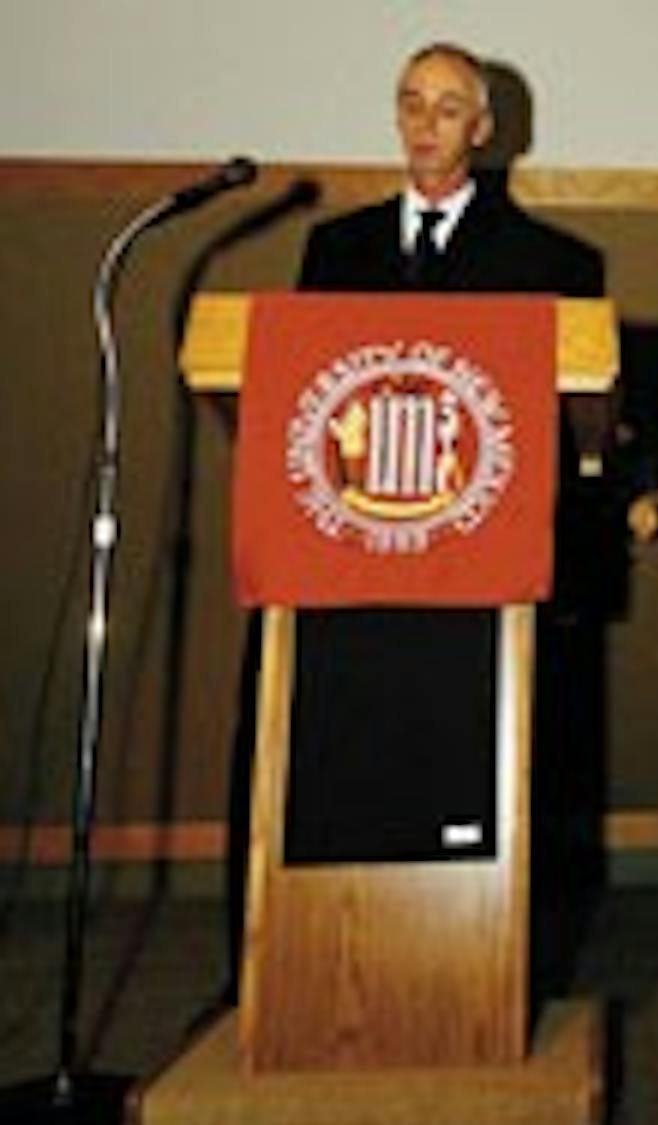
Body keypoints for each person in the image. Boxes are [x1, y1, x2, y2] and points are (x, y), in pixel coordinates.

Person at [222, 41, 606, 1004]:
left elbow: (571, 421)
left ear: (484, 130)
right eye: (410, 104)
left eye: (447, 108)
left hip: (480, 572)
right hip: (346, 558)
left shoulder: (554, 262)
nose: (425, 124)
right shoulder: (334, 250)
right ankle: (295, 969)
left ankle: (501, 971)